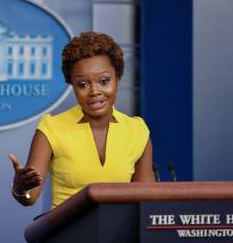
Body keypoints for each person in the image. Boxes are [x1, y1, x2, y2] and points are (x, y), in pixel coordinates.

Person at [9, 31, 154, 209]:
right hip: (68, 233)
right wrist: (20, 188)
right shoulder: (52, 128)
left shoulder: (137, 130)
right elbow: (30, 197)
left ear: (117, 78)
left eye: (104, 81)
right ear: (72, 85)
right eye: (83, 84)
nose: (94, 91)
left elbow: (147, 199)